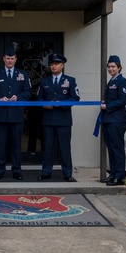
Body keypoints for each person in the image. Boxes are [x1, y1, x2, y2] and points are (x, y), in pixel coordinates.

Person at [0, 47, 32, 180]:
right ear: (3, 59)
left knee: (16, 144)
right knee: (0, 144)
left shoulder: (22, 74)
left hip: (16, 115)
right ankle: (0, 170)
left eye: (12, 58)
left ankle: (16, 170)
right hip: (0, 115)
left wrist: (18, 97)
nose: (10, 61)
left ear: (16, 59)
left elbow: (28, 92)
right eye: (8, 58)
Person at [37, 53, 80, 181]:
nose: (53, 66)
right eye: (51, 64)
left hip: (63, 119)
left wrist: (62, 105)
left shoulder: (70, 80)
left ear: (62, 65)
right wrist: (44, 105)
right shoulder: (45, 81)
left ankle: (67, 174)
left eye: (56, 64)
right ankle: (46, 172)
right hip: (49, 119)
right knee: (48, 148)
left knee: (65, 148)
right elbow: (39, 98)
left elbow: (75, 98)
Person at [100, 55, 126, 186]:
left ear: (119, 67)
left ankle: (119, 177)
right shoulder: (111, 81)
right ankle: (112, 174)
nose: (111, 69)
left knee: (117, 148)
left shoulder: (122, 81)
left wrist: (107, 106)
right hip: (108, 119)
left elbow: (123, 100)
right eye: (109, 66)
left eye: (113, 66)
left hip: (117, 119)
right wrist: (104, 102)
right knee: (111, 148)